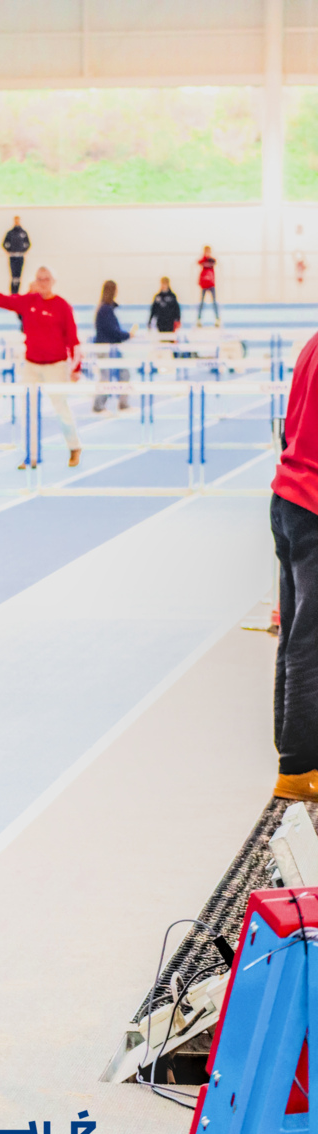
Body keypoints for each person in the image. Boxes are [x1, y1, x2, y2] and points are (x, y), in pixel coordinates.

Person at [0, 266, 82, 467]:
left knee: (62, 410)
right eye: (39, 279)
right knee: (28, 411)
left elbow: (73, 339)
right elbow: (1, 300)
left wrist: (76, 368)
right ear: (35, 281)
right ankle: (31, 455)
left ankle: (74, 447)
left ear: (53, 281)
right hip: (32, 365)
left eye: (46, 279)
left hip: (56, 366)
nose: (43, 282)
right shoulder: (28, 301)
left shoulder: (62, 306)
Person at [270, 331, 318, 802]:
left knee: (295, 634)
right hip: (312, 504)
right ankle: (300, 768)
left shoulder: (312, 343)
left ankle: (291, 754)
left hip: (289, 496)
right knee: (311, 640)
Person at [93, 280, 135, 414]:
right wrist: (127, 335)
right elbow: (112, 331)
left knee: (123, 374)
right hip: (106, 348)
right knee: (105, 376)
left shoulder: (107, 308)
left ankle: (123, 403)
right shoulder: (105, 310)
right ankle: (99, 405)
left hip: (112, 348)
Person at [2, 216, 31, 295]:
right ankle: (13, 292)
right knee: (13, 276)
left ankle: (17, 292)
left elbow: (28, 244)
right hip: (13, 257)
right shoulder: (10, 233)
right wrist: (9, 251)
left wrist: (23, 251)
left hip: (20, 256)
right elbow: (4, 243)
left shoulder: (23, 232)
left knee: (18, 276)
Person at [197, 245, 219, 326]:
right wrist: (205, 257)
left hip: (211, 284)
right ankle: (199, 319)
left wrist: (209, 258)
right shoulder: (203, 260)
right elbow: (199, 262)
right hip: (204, 285)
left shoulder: (211, 260)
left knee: (214, 302)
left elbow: (214, 262)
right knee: (202, 302)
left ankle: (217, 318)